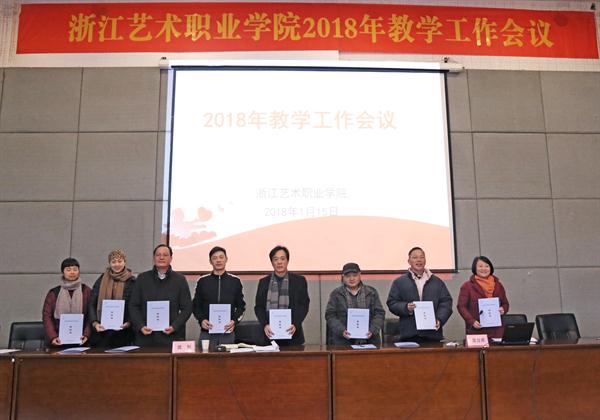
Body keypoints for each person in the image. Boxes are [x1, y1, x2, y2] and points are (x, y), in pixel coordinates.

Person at [129, 244, 192, 347]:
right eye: (158, 255)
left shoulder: (179, 280)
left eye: (165, 255)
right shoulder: (142, 278)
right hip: (145, 336)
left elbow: (187, 308)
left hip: (171, 336)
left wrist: (174, 326)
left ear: (171, 258)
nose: (161, 257)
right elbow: (133, 306)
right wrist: (141, 326)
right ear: (154, 258)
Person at [386, 247, 453, 342]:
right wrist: (406, 307)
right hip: (409, 334)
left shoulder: (437, 282)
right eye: (415, 257)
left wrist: (439, 319)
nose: (419, 260)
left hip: (432, 334)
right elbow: (392, 303)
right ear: (409, 261)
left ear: (425, 260)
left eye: (422, 257)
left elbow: (446, 302)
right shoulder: (400, 282)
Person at [255, 245, 310, 346]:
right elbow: (259, 307)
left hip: (293, 335)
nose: (279, 262)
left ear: (287, 261)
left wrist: (295, 324)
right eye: (275, 259)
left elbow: (304, 305)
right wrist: (265, 325)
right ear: (272, 262)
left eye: (282, 259)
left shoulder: (299, 281)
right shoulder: (264, 282)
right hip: (270, 335)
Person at [192, 246, 246, 349]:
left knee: (227, 359)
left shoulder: (235, 281)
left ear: (226, 259)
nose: (218, 260)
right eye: (214, 258)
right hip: (207, 332)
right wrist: (201, 320)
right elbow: (196, 306)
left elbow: (241, 306)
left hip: (227, 332)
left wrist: (234, 321)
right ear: (210, 261)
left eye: (221, 257)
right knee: (204, 359)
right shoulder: (202, 281)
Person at [325, 262, 385, 346]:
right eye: (348, 276)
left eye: (355, 275)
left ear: (360, 275)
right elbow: (330, 315)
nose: (352, 279)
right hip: (343, 341)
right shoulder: (336, 294)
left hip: (370, 340)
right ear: (343, 277)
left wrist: (372, 330)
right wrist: (341, 330)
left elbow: (379, 313)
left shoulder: (371, 292)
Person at [87, 249, 136, 348]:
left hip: (123, 332)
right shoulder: (101, 279)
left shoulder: (132, 281)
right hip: (102, 331)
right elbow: (92, 303)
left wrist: (129, 322)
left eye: (120, 261)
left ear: (125, 262)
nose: (117, 264)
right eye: (113, 262)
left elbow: (135, 305)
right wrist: (95, 323)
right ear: (109, 263)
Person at [42, 257, 92, 346]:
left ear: (79, 271)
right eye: (68, 270)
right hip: (58, 340)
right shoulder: (54, 292)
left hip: (82, 340)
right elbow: (47, 316)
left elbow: (91, 314)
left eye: (75, 269)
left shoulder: (86, 291)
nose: (72, 272)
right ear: (63, 272)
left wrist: (86, 334)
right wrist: (53, 337)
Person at [457, 256, 509, 339]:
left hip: (497, 330)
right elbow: (461, 306)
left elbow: (505, 303)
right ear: (475, 268)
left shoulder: (498, 285)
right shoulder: (467, 286)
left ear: (490, 268)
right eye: (480, 266)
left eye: (487, 266)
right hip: (477, 329)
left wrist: (503, 309)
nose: (484, 269)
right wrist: (471, 321)